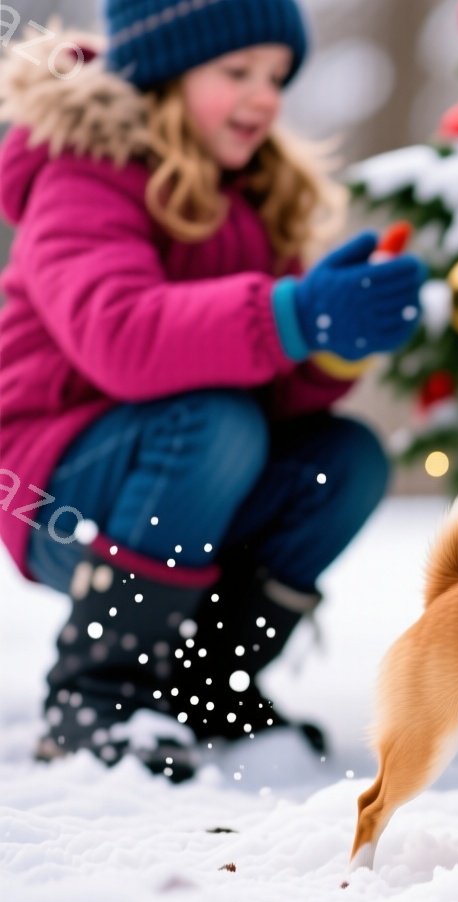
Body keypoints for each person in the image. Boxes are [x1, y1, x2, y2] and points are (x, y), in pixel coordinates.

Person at [0, 0, 426, 781]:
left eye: (275, 76)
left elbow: (279, 396)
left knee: (346, 458)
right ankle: (98, 695)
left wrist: (332, 346)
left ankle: (208, 685)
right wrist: (296, 313)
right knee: (215, 423)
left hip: (195, 466)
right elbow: (123, 336)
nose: (265, 96)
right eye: (236, 73)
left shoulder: (256, 195)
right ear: (163, 71)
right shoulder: (82, 171)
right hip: (55, 480)